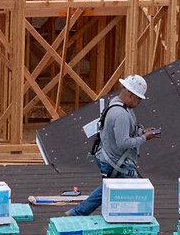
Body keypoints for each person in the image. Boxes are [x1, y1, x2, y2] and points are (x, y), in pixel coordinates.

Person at [67, 74, 160, 216]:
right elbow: (123, 143)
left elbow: (124, 131)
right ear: (131, 95)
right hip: (114, 162)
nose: (139, 102)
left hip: (108, 157)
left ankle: (77, 212)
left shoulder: (117, 103)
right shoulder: (121, 114)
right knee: (135, 189)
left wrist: (141, 131)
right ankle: (130, 219)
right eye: (139, 99)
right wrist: (144, 138)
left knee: (107, 189)